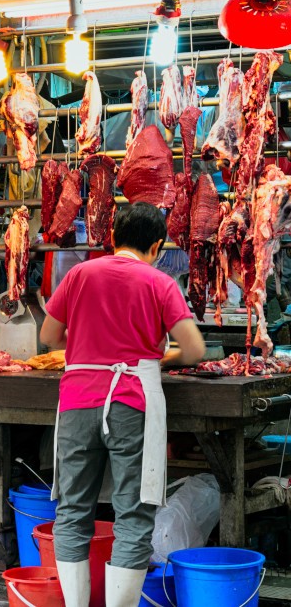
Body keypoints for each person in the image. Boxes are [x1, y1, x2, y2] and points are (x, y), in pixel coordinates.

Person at [40, 203, 205, 607]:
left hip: (78, 397)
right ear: (157, 245)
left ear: (112, 238)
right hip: (131, 400)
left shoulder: (80, 274)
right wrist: (159, 356)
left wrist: (88, 347)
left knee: (73, 510)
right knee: (133, 514)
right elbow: (195, 349)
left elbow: (48, 336)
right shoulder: (159, 282)